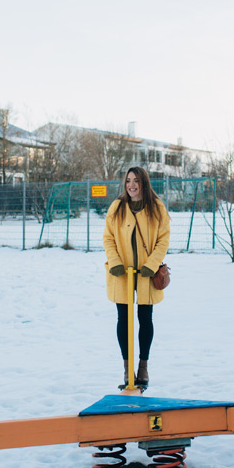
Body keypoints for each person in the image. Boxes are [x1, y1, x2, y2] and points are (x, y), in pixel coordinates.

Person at [103, 166, 171, 387]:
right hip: (122, 273)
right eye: (128, 181)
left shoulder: (156, 208)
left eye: (136, 181)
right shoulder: (117, 207)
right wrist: (115, 262)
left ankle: (143, 367)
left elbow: (163, 239)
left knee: (145, 318)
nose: (131, 185)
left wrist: (151, 265)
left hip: (145, 274)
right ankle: (127, 369)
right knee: (123, 319)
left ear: (144, 183)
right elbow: (109, 238)